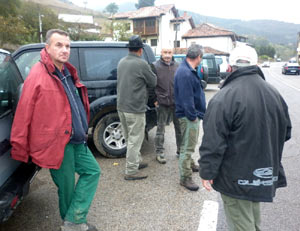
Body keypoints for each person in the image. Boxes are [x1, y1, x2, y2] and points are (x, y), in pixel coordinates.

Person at [10, 29, 101, 231]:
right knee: (67, 187)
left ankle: (73, 219)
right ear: (47, 48)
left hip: (77, 140)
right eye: (59, 45)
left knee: (93, 171)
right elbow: (24, 113)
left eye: (67, 46)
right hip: (58, 144)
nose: (64, 50)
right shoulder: (38, 74)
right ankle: (73, 223)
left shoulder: (66, 71)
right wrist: (20, 146)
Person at [199, 44, 292, 231]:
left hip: (235, 178)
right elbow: (286, 131)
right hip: (261, 175)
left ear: (230, 67)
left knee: (242, 225)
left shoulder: (223, 97)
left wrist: (207, 172)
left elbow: (213, 141)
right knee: (252, 222)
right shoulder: (273, 93)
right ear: (255, 64)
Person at [117, 35, 157, 180]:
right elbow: (153, 81)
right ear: (140, 50)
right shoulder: (141, 64)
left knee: (129, 138)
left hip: (121, 106)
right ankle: (131, 171)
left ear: (129, 48)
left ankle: (136, 161)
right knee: (135, 139)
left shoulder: (121, 62)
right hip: (135, 108)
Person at [174, 44, 206, 191]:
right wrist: (193, 116)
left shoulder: (186, 69)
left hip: (188, 115)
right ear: (198, 56)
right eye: (201, 57)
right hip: (188, 117)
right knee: (188, 146)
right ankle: (185, 178)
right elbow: (187, 99)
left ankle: (191, 165)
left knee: (188, 143)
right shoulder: (185, 73)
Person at [153, 47, 181, 164]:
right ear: (161, 53)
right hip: (162, 102)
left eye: (169, 53)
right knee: (160, 129)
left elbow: (181, 83)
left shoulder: (178, 66)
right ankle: (159, 152)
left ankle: (181, 151)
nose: (167, 55)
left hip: (176, 103)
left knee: (179, 129)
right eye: (165, 52)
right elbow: (150, 84)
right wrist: (154, 99)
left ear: (172, 53)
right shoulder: (154, 66)